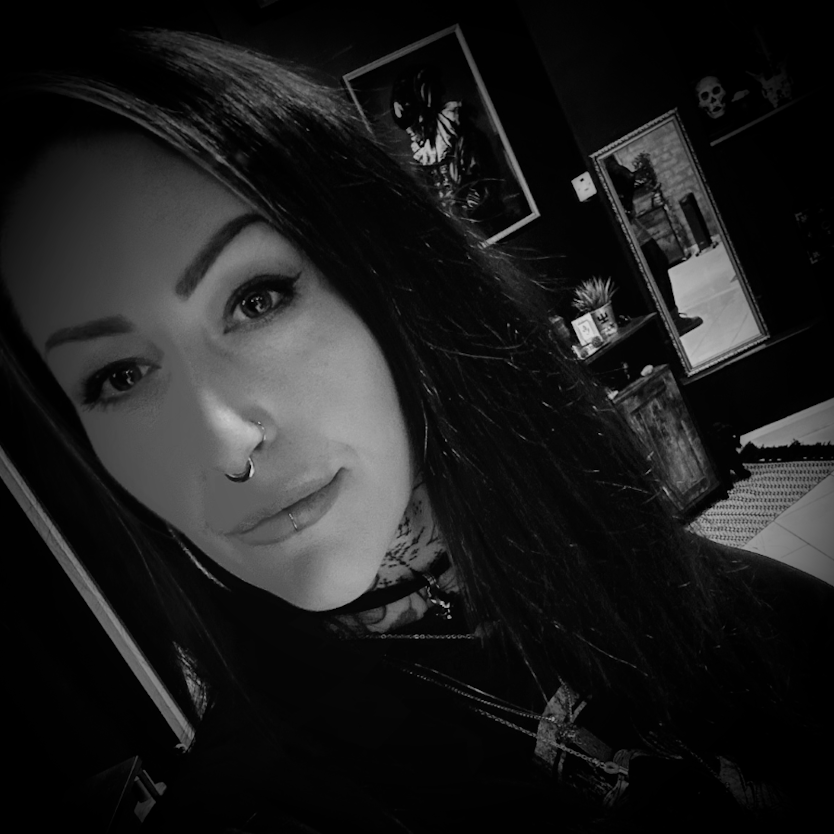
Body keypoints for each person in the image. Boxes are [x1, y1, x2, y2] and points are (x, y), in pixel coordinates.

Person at [0, 28, 831, 833]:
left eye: (256, 299)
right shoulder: (260, 803)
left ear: (393, 282)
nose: (224, 446)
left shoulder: (705, 597)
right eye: (119, 376)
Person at [603, 156, 704, 336]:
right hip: (626, 225)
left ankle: (668, 320)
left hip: (619, 227)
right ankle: (672, 321)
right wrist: (626, 203)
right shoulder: (604, 162)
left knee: (651, 268)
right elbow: (626, 175)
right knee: (657, 263)